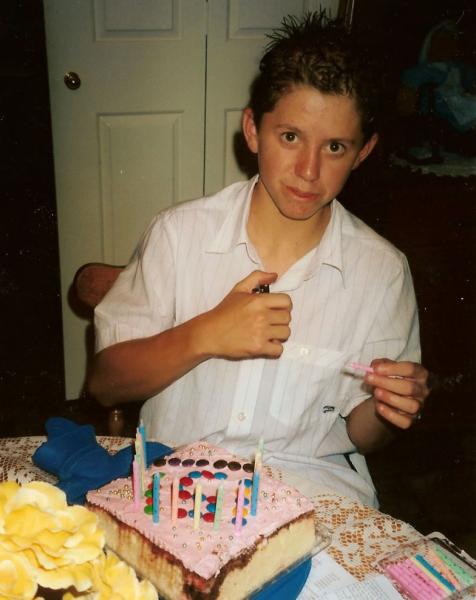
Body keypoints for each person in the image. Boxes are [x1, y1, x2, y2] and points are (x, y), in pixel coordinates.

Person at [89, 12, 429, 506]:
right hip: (177, 485)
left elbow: (363, 435)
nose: (308, 170)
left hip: (313, 492)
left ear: (363, 153)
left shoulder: (383, 271)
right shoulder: (178, 234)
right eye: (290, 137)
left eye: (335, 147)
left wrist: (387, 408)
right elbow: (105, 385)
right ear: (253, 130)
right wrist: (206, 334)